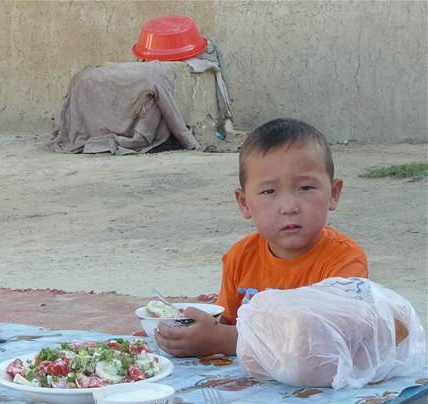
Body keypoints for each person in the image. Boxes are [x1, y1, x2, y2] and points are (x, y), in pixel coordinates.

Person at [155, 118, 368, 357]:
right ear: (244, 203)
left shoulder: (343, 261)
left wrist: (223, 342)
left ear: (334, 194)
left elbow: (331, 341)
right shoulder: (240, 257)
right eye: (269, 191)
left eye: (306, 188)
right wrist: (193, 336)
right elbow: (226, 324)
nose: (289, 207)